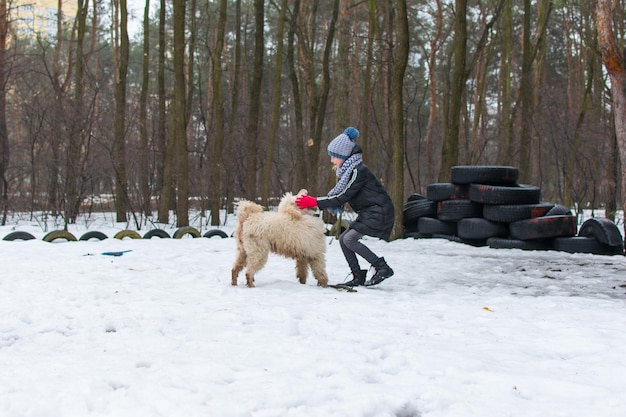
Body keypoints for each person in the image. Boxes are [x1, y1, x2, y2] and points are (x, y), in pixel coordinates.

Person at [295, 127, 395, 287]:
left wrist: (314, 202)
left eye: (334, 156)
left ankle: (382, 268)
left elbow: (343, 196)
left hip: (379, 211)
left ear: (344, 155)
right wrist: (318, 201)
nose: (332, 160)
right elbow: (339, 196)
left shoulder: (358, 171)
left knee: (349, 238)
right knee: (344, 239)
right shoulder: (350, 171)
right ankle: (357, 275)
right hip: (369, 212)